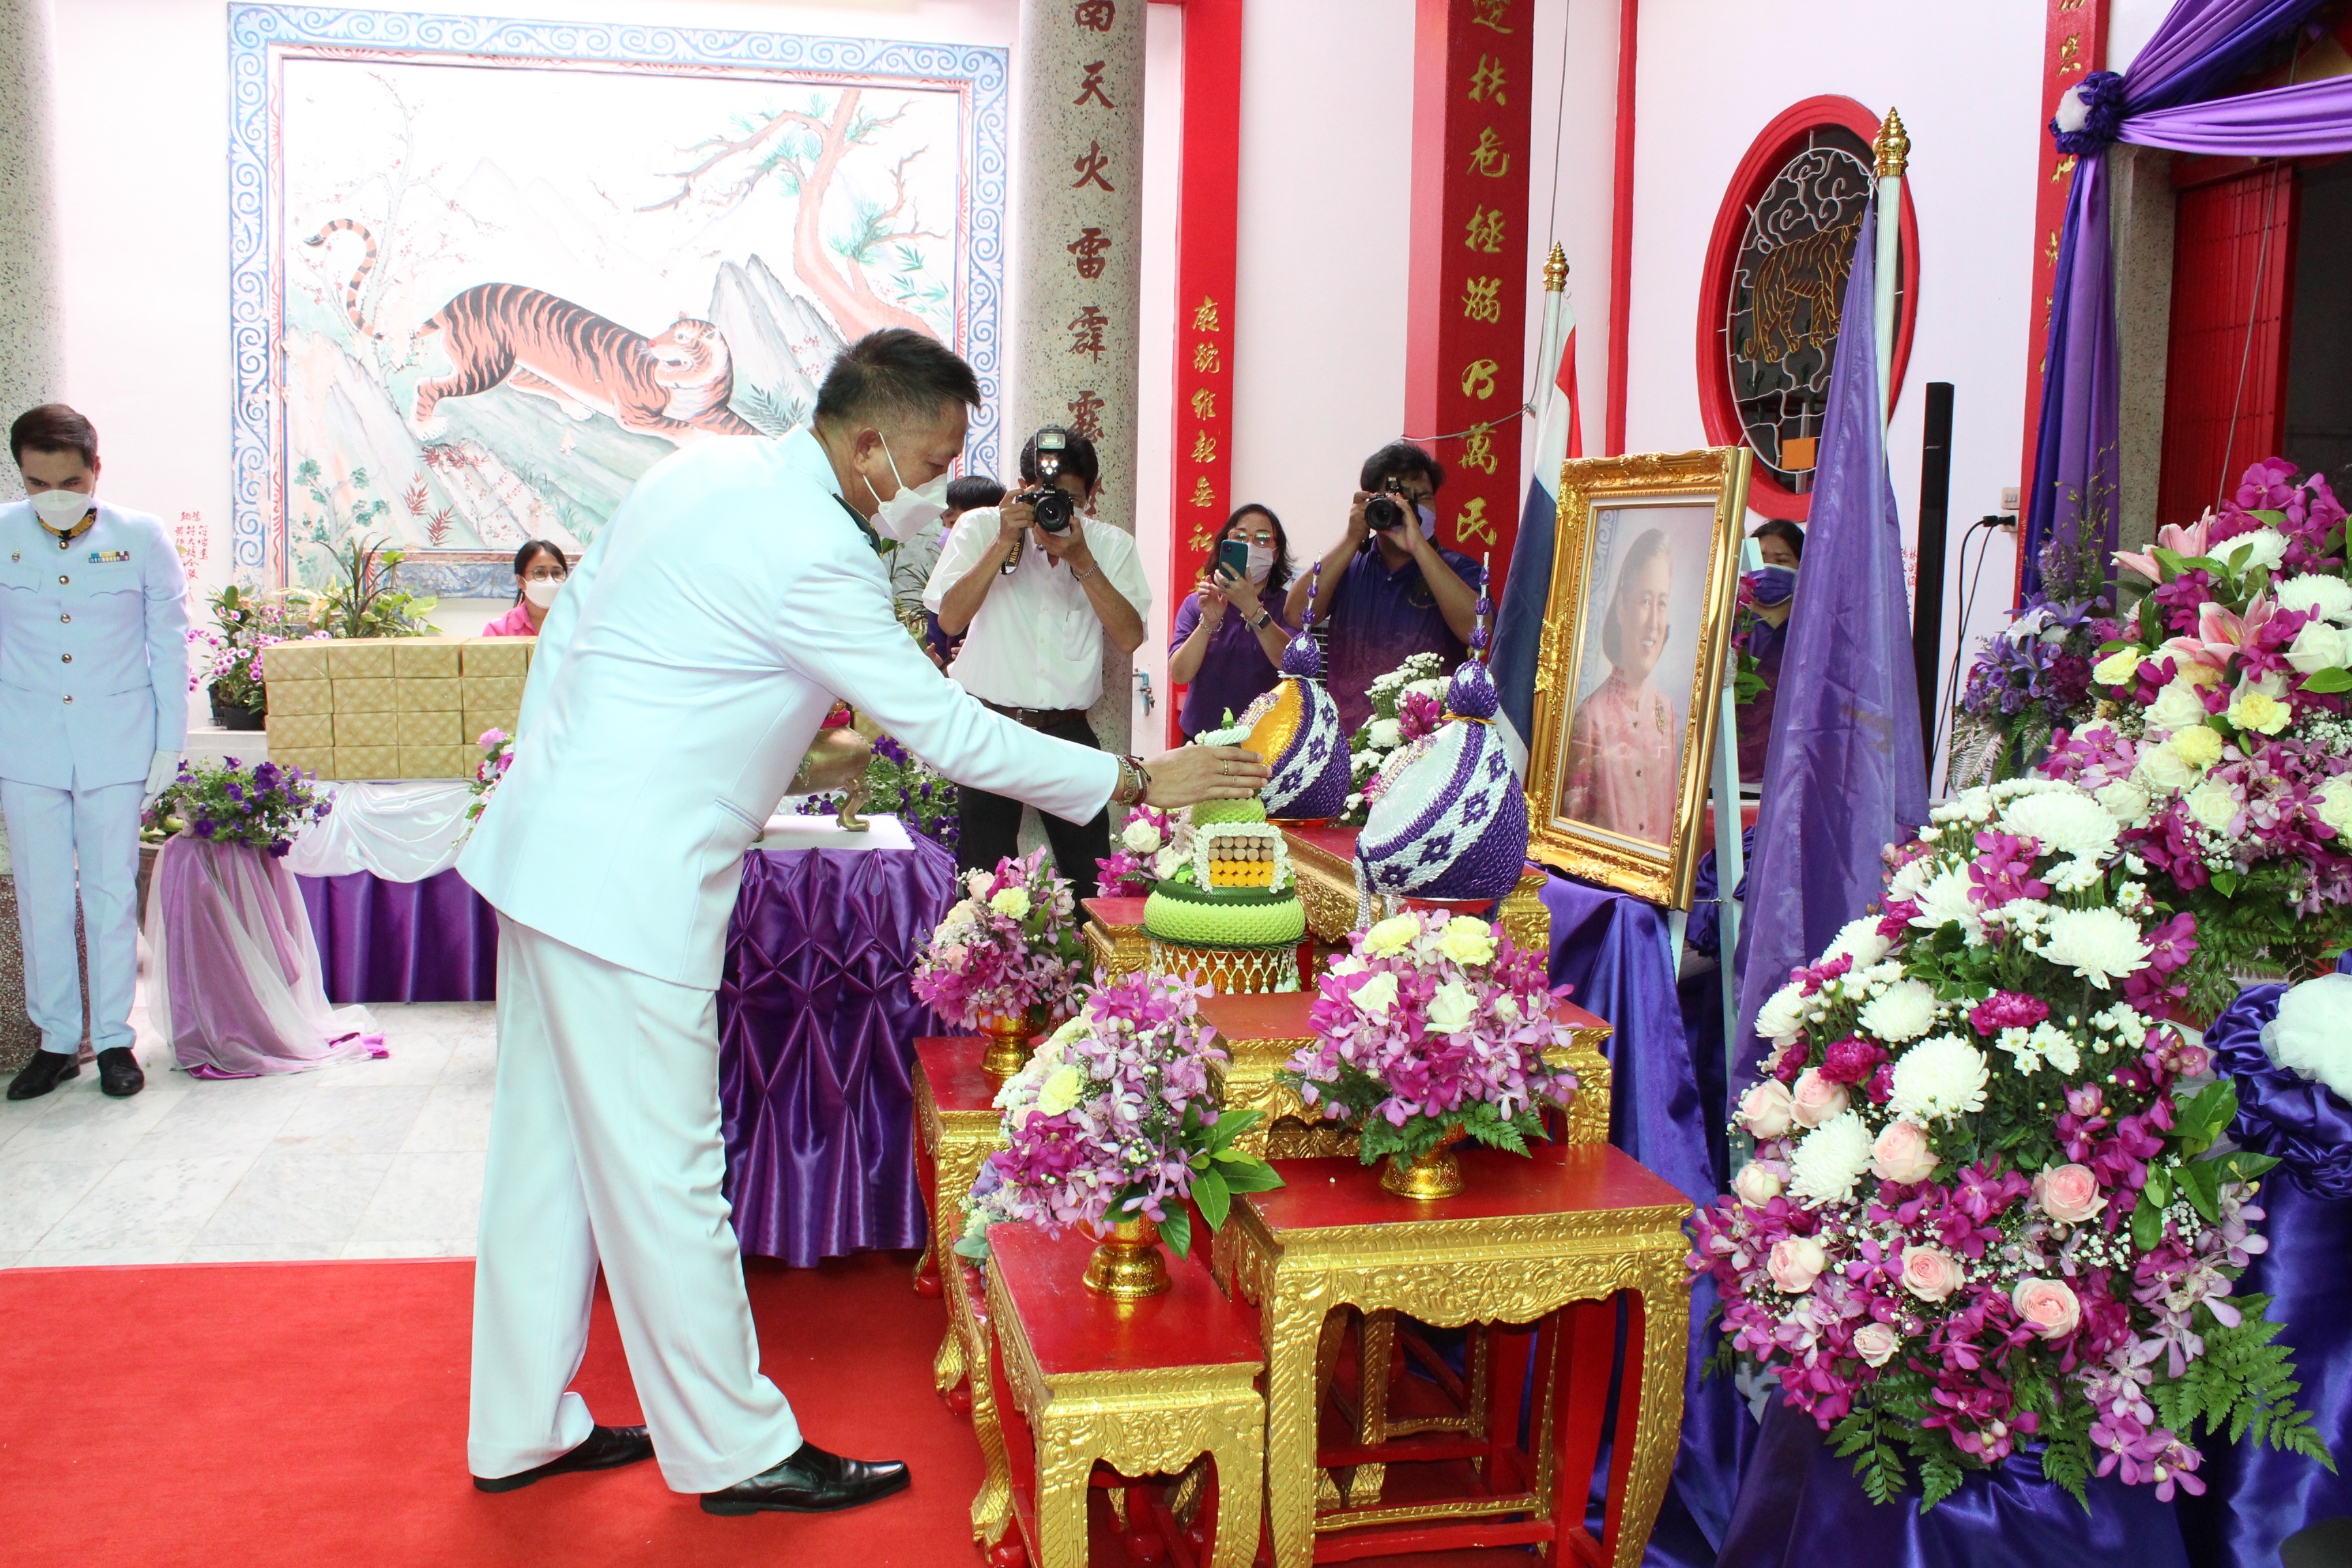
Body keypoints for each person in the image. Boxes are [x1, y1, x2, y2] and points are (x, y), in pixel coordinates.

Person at [455, 328, 1265, 1516]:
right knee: (670, 1165)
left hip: (554, 848)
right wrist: (1137, 780)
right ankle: (733, 1447)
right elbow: (950, 728)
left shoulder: (703, 469)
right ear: (873, 441)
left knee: (546, 1154)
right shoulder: (812, 550)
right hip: (628, 882)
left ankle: (519, 1421)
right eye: (937, 462)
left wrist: (665, 756)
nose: (944, 491)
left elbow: (589, 634)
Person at [1, 405, 188, 1101]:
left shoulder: (140, 537)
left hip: (115, 743)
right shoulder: (2, 534)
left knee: (111, 893)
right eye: (36, 482)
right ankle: (55, 1041)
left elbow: (168, 644)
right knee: (42, 896)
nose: (54, 496)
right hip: (25, 744)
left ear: (97, 470)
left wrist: (170, 743)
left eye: (70, 481)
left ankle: (114, 1039)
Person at [924, 427, 1149, 900]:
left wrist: (1081, 558)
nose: (1057, 510)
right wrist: (1005, 538)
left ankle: (1101, 969)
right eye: (1044, 495)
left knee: (1094, 876)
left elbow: (1130, 637)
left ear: (1093, 494)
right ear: (1023, 488)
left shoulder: (1111, 545)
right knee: (982, 879)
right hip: (989, 724)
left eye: (1070, 499)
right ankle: (983, 972)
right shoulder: (983, 527)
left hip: (1067, 730)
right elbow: (951, 616)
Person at [1290, 442, 1482, 730]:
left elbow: (1479, 631)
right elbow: (1295, 613)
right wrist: (1352, 538)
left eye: (1424, 498)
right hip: (1350, 743)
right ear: (1372, 502)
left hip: (1432, 746)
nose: (1411, 508)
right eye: (1399, 498)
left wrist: (1418, 546)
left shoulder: (1458, 568)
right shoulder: (1349, 564)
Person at [1560, 527, 1678, 843]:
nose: (1654, 621)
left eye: (1662, 603)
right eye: (1644, 601)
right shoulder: (1592, 716)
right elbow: (1571, 831)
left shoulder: (1665, 708)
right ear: (1623, 608)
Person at [1169, 504, 1294, 738]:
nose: (1250, 545)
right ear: (1225, 546)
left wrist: (1252, 608)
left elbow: (1290, 662)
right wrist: (1208, 622)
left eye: (1263, 539)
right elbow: (1179, 674)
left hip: (1265, 741)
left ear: (1275, 554)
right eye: (1240, 537)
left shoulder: (1288, 606)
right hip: (1202, 738)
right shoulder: (1199, 602)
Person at [1736, 519, 1803, 782]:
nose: (1768, 568)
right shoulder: (1729, 628)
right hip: (1726, 776)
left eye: (1782, 560)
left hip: (1786, 778)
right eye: (1760, 557)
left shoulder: (1808, 634)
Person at [925, 475, 1004, 668]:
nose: (945, 536)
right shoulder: (945, 582)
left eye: (953, 524)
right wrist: (941, 666)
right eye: (944, 525)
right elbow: (939, 649)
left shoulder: (1015, 574)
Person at [480, 540, 568, 636]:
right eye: (539, 573)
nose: (550, 580)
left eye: (557, 573)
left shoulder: (579, 624)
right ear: (521, 581)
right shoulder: (498, 630)